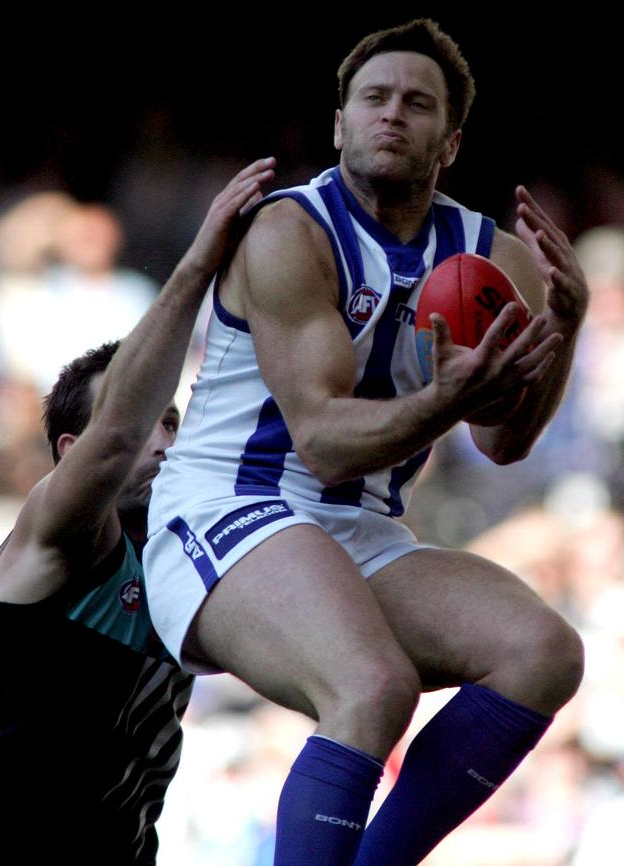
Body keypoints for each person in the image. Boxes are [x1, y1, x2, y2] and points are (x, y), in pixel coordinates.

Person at [144, 19, 588, 866]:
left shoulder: (494, 256)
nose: (393, 116)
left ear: (450, 142)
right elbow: (320, 442)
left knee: (542, 653)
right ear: (339, 123)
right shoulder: (289, 232)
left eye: (417, 105)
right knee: (370, 686)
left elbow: (503, 443)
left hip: (360, 534)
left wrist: (563, 329)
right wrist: (443, 399)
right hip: (231, 507)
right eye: (374, 99)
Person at [0, 157, 275, 865]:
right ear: (69, 450)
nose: (165, 438)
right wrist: (204, 260)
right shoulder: (62, 537)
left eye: (175, 422)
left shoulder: (188, 572)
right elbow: (117, 434)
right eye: (151, 418)